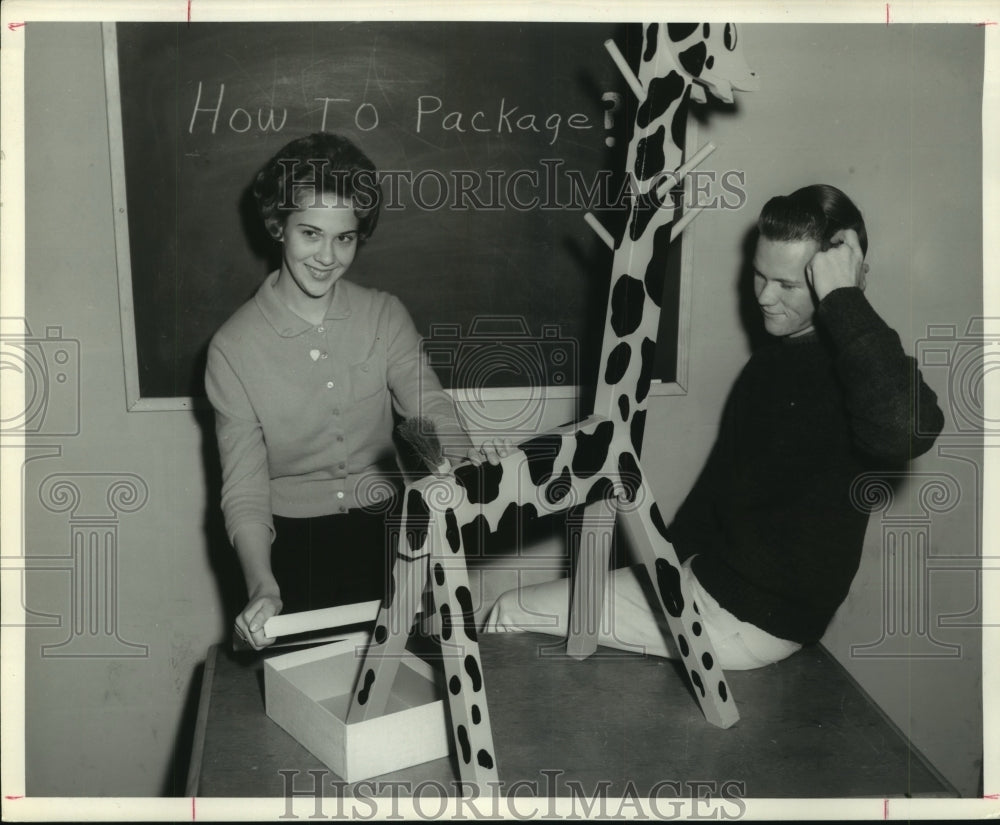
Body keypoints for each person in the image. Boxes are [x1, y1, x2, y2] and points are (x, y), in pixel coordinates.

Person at [486, 184, 945, 670]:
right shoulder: (771, 363)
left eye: (788, 285)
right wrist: (654, 574)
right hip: (707, 585)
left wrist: (846, 299)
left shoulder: (860, 371)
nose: (765, 297)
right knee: (535, 607)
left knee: (511, 611)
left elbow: (907, 428)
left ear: (841, 282)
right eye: (759, 275)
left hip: (747, 620)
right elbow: (714, 497)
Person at [206, 133, 501, 650]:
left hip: (393, 531)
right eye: (311, 234)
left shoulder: (384, 314)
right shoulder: (232, 348)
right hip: (292, 549)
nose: (327, 256)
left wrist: (466, 466)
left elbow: (430, 410)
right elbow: (246, 491)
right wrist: (263, 586)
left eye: (344, 238)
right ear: (279, 227)